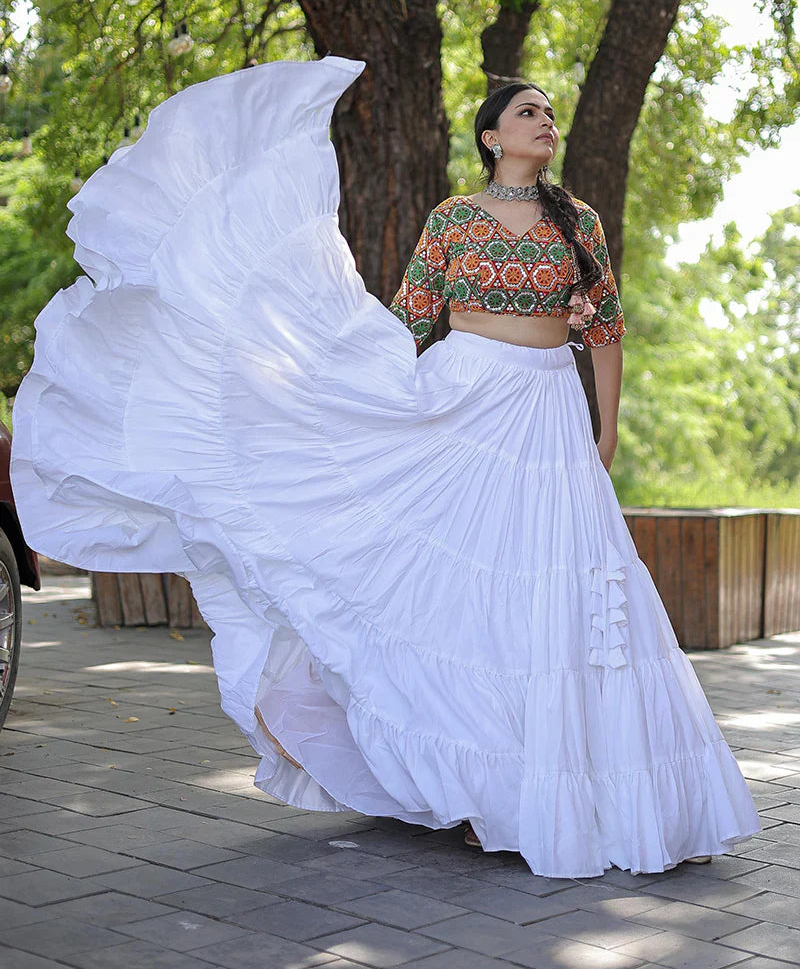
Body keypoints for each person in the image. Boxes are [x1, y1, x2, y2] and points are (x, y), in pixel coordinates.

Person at [10, 54, 760, 879]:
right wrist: (344, 393)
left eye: (550, 114)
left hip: (548, 414)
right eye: (528, 114)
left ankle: (581, 789)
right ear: (492, 136)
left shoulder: (577, 221)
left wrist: (603, 426)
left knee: (570, 590)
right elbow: (407, 322)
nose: (546, 123)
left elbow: (606, 330)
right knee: (471, 595)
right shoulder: (452, 220)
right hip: (466, 399)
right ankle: (485, 788)